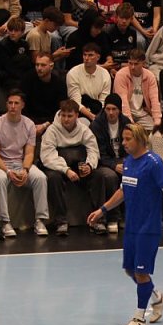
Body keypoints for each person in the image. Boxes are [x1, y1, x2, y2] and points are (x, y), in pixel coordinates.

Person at [86, 122, 163, 325]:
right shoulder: (128, 162)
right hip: (132, 226)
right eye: (123, 139)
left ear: (140, 139)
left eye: (127, 139)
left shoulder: (154, 163)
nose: (123, 143)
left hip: (148, 228)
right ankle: (158, 298)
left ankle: (139, 317)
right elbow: (123, 191)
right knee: (130, 270)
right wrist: (102, 210)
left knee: (141, 273)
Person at [0, 89, 51, 238]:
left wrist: (25, 170)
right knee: (0, 179)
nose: (13, 106)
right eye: (10, 103)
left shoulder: (29, 124)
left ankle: (40, 220)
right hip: (0, 165)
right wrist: (8, 171)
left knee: (40, 177)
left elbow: (29, 153)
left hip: (20, 163)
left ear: (22, 105)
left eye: (16, 103)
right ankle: (4, 221)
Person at [41, 99, 104, 236]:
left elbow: (93, 150)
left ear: (77, 115)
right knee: (53, 178)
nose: (66, 119)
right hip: (60, 168)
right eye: (63, 115)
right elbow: (47, 156)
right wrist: (66, 170)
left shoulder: (84, 129)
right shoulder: (52, 130)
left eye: (70, 116)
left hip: (79, 165)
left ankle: (97, 220)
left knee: (99, 175)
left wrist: (89, 165)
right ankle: (61, 221)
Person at [90, 93, 132, 233]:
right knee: (110, 176)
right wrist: (114, 165)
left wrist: (126, 162)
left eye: (114, 109)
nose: (111, 112)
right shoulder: (97, 124)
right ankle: (113, 217)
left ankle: (127, 216)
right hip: (103, 162)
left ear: (119, 110)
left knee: (132, 174)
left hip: (122, 159)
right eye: (108, 109)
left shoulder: (126, 122)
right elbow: (98, 153)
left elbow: (131, 147)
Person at [21, 51, 68, 135]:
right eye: (37, 65)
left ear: (51, 66)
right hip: (29, 120)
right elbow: (22, 105)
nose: (39, 68)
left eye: (43, 65)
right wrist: (30, 124)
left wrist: (45, 125)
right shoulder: (28, 79)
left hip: (51, 123)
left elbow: (61, 110)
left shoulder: (59, 83)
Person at [113, 48, 161, 129]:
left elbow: (155, 101)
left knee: (156, 130)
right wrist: (130, 122)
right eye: (130, 63)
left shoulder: (150, 76)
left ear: (143, 63)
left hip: (142, 114)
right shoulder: (121, 75)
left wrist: (157, 121)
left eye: (136, 64)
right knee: (131, 131)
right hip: (123, 114)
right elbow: (123, 102)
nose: (132, 67)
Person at [67, 41, 113, 122]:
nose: (86, 58)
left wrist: (98, 117)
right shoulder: (73, 73)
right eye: (84, 55)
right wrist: (91, 116)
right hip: (79, 113)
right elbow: (75, 101)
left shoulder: (105, 74)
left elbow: (104, 101)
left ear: (98, 57)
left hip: (98, 111)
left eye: (90, 55)